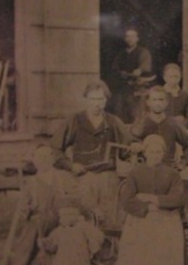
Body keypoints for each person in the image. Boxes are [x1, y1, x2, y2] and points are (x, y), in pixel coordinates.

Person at [113, 134, 186, 265]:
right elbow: (126, 199)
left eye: (159, 151)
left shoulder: (172, 174)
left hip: (166, 223)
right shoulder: (135, 173)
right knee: (142, 262)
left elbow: (178, 198)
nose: (155, 155)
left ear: (164, 153)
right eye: (151, 151)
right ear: (145, 153)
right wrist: (144, 208)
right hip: (141, 222)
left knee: (163, 262)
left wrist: (153, 199)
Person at [0, 142, 67, 265]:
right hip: (35, 222)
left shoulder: (61, 178)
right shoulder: (31, 183)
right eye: (40, 157)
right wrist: (24, 210)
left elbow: (72, 198)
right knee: (22, 256)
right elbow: (22, 208)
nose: (44, 160)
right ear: (34, 161)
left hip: (58, 222)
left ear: (52, 159)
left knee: (65, 253)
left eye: (47, 156)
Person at [53, 80, 131, 228]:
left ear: (106, 100)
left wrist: (134, 148)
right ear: (86, 99)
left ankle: (110, 251)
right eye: (92, 99)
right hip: (83, 178)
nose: (97, 104)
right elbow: (55, 149)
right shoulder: (75, 121)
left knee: (110, 221)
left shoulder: (113, 122)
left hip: (109, 179)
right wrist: (70, 165)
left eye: (101, 99)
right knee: (85, 220)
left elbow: (126, 150)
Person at [131, 85, 188, 168]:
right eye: (154, 100)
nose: (157, 103)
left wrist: (183, 162)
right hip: (145, 171)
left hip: (167, 171)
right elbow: (130, 140)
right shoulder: (141, 123)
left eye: (161, 100)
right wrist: (135, 145)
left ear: (166, 102)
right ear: (148, 102)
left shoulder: (173, 124)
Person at [110, 27, 155, 123]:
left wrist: (139, 70)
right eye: (127, 36)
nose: (130, 39)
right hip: (124, 88)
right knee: (120, 112)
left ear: (137, 39)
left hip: (138, 87)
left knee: (137, 113)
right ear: (125, 39)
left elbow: (145, 67)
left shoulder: (143, 52)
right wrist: (122, 73)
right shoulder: (121, 54)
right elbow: (115, 68)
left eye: (132, 36)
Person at [161, 62, 188, 127]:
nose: (173, 79)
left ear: (180, 77)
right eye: (170, 77)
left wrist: (183, 123)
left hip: (180, 130)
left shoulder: (185, 96)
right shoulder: (158, 94)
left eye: (176, 76)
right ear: (164, 78)